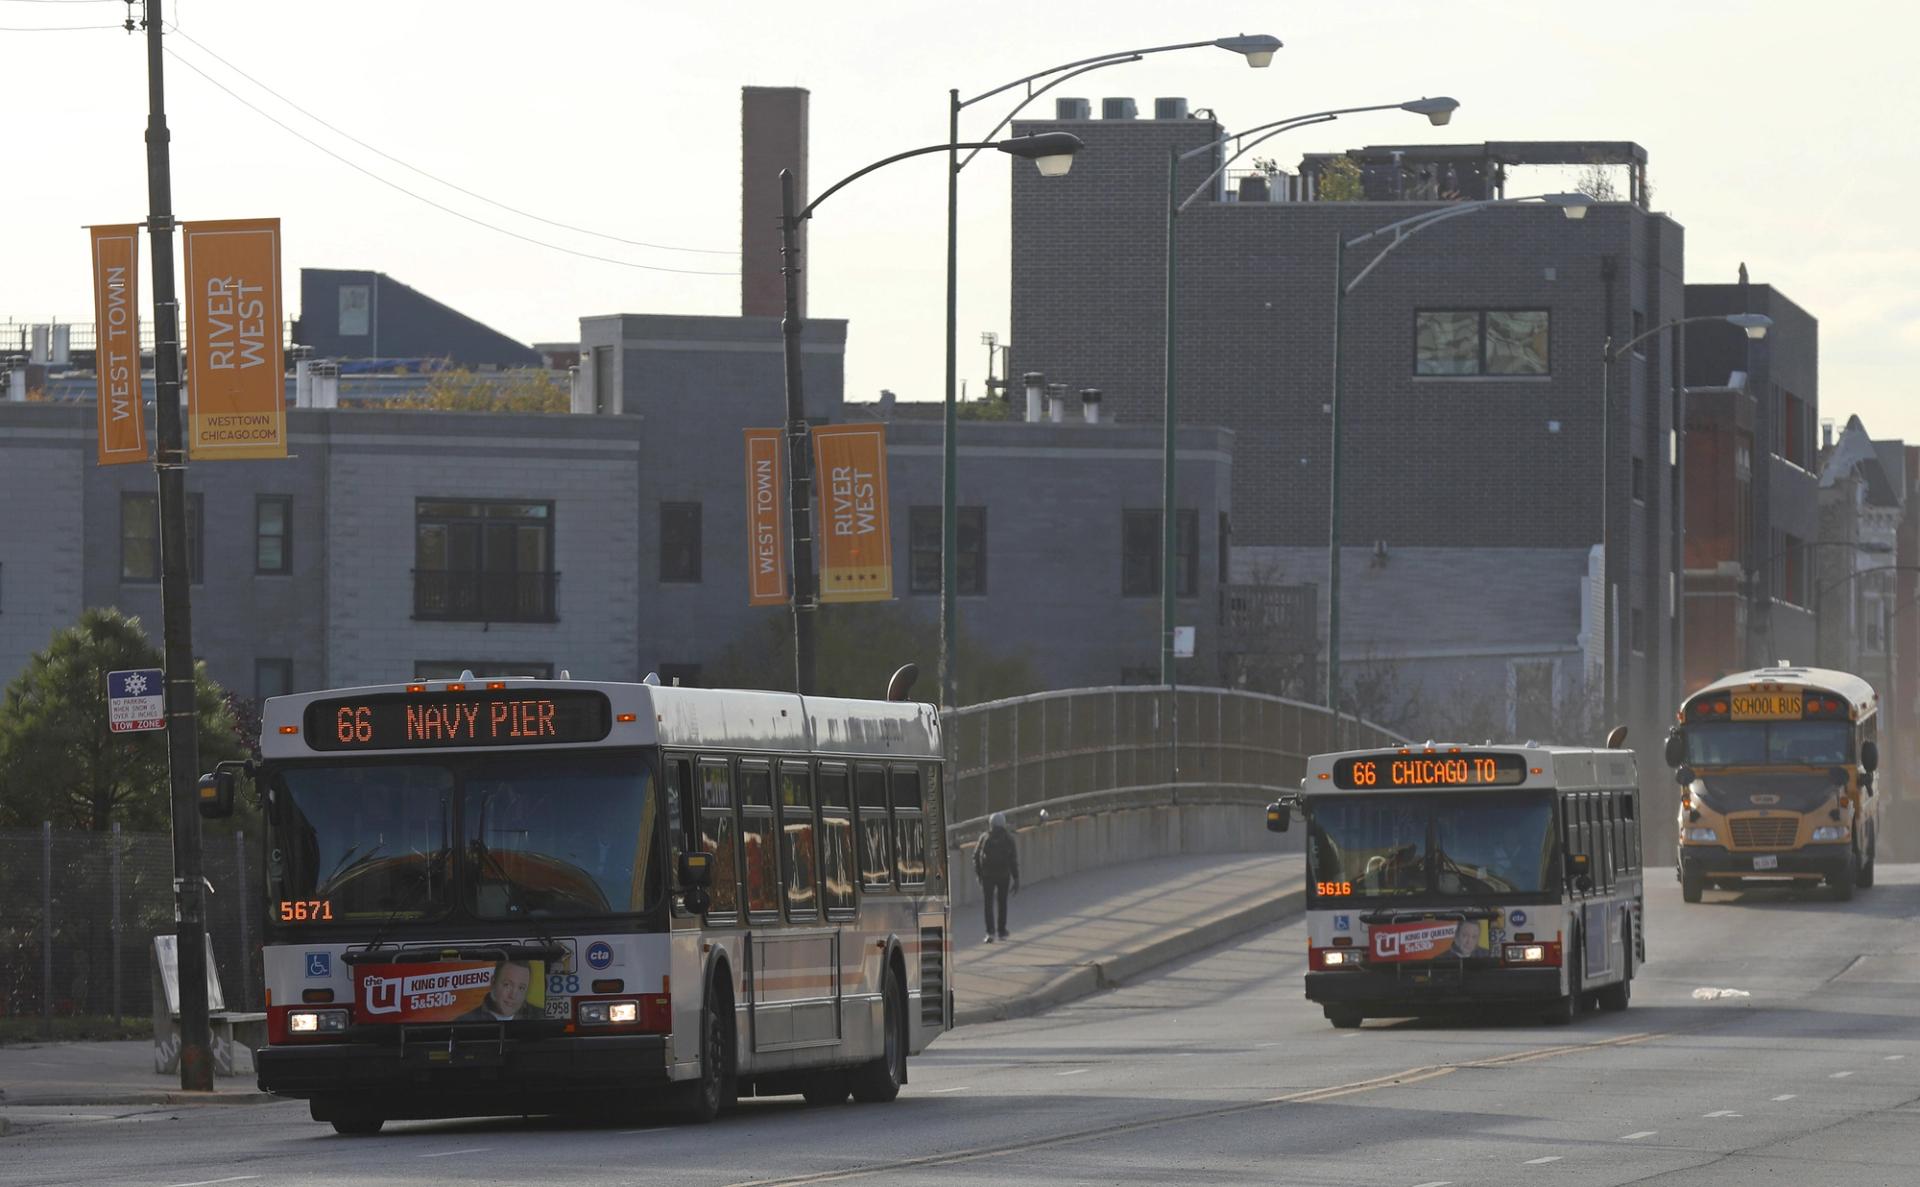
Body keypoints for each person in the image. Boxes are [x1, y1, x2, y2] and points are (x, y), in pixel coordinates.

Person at [974, 812, 1019, 943]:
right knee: (1002, 902)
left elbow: (975, 856)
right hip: (1003, 875)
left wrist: (979, 874)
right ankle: (1002, 931)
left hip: (987, 875)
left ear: (991, 823)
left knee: (988, 904)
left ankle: (990, 933)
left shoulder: (984, 837)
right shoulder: (1009, 838)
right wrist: (1016, 878)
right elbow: (1013, 860)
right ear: (1003, 823)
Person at [457, 958, 542, 1021]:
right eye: (507, 985)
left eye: (521, 988)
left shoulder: (541, 1017)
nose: (513, 995)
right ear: (493, 983)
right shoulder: (465, 1021)